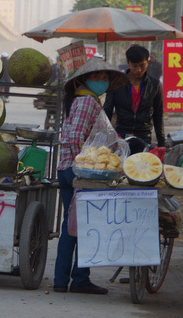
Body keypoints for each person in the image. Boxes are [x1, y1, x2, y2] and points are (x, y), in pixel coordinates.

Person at [54, 57, 128, 294]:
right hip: (77, 172)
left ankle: (62, 280)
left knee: (71, 225)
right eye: (97, 77)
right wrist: (82, 167)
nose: (103, 81)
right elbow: (76, 137)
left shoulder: (82, 100)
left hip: (66, 169)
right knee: (81, 226)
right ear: (86, 80)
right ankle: (78, 279)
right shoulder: (87, 101)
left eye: (106, 78)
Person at [103, 44, 165, 155]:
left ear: (148, 63)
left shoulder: (155, 85)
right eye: (134, 66)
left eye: (142, 65)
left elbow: (158, 116)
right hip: (121, 137)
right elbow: (107, 111)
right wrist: (104, 137)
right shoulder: (116, 84)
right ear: (128, 63)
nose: (138, 70)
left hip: (144, 138)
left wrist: (161, 145)